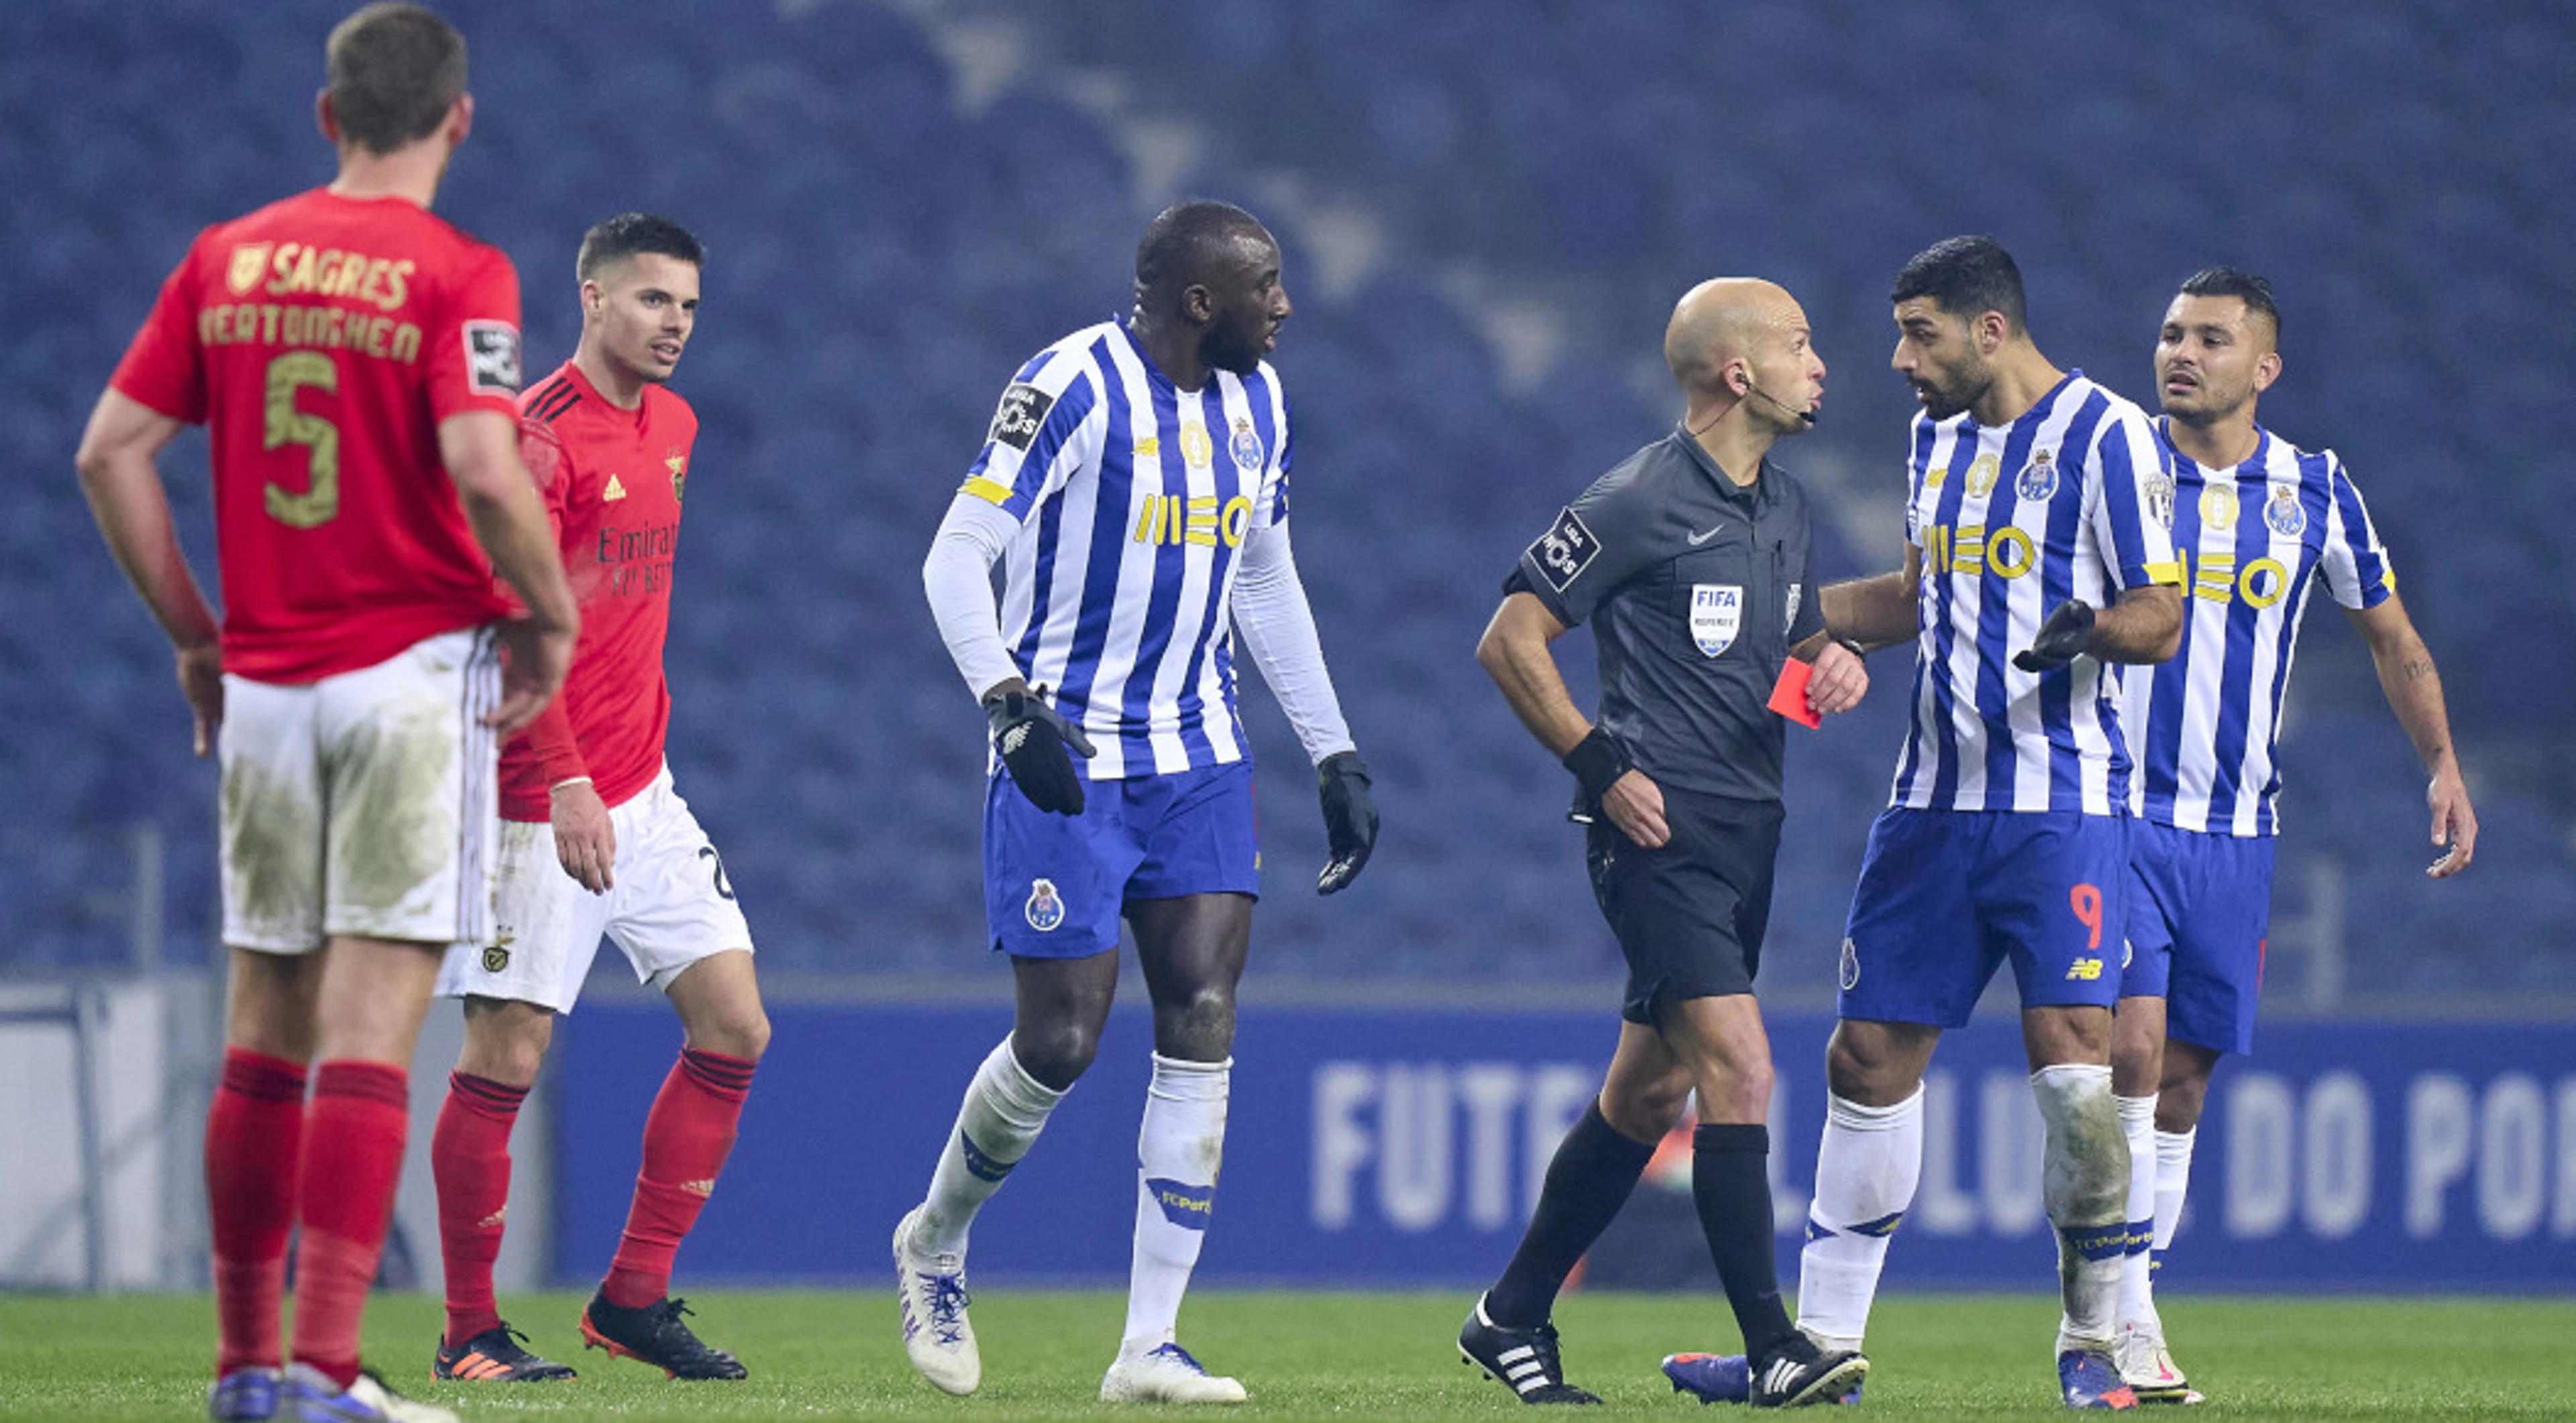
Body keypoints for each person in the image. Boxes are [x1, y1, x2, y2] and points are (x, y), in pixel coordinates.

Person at [71, 6, 578, 1422]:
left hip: (271, 688)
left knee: (262, 1028)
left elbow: (110, 453)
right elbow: (485, 465)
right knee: (369, 1029)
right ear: (457, 121)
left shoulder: (226, 257)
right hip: (406, 681)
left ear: (325, 113)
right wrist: (550, 608)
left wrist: (196, 638)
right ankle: (323, 1373)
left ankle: (245, 1368)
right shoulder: (457, 268)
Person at [1670, 236, 2186, 1412]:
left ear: (1989, 329)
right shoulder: (1934, 438)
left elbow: (2163, 614)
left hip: (2059, 810)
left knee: (2073, 1080)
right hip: (1928, 809)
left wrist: (2092, 631)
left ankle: (2093, 1343)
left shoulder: (2108, 435)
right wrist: (1783, 612)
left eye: (1922, 335)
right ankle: (1820, 1353)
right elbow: (1915, 596)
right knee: (1863, 1061)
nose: (1900, 360)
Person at [898, 199, 1379, 1406]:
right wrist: (1008, 705)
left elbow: (1264, 578)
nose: (1285, 305)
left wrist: (1333, 751)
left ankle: (1147, 1347)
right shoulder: (1069, 385)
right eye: (1264, 284)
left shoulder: (1261, 404)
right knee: (1061, 1041)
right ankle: (935, 1240)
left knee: (1203, 1014)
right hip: (1065, 748)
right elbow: (955, 555)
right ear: (1198, 300)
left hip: (1198, 756)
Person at [1453, 278, 1871, 1411]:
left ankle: (1510, 1315)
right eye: (1800, 343)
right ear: (1739, 373)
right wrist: (1600, 762)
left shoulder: (1787, 505)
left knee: (1645, 1101)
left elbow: (1778, 668)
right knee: (1743, 1067)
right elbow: (1510, 637)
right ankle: (1778, 1344)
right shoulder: (1638, 496)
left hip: (1749, 833)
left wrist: (1831, 669)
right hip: (1655, 833)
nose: (1821, 362)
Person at [2104, 268, 2478, 1404]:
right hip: (2113, 810)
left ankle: (2131, 1300)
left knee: (2181, 1087)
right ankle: (2117, 1316)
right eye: (2171, 333)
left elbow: (2392, 637)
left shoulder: (2314, 488)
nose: (2181, 354)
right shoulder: (2115, 465)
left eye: (2211, 339)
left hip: (2237, 831)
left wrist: (2444, 764)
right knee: (2126, 1053)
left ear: (2264, 367)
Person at [426, 213, 767, 1385]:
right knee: (506, 1051)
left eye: (687, 307)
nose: (673, 325)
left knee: (735, 1025)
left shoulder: (675, 425)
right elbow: (510, 624)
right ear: (591, 297)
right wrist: (567, 777)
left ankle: (629, 1301)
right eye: (651, 301)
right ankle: (469, 1330)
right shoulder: (538, 441)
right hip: (535, 792)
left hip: (642, 789)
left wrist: (615, 774)